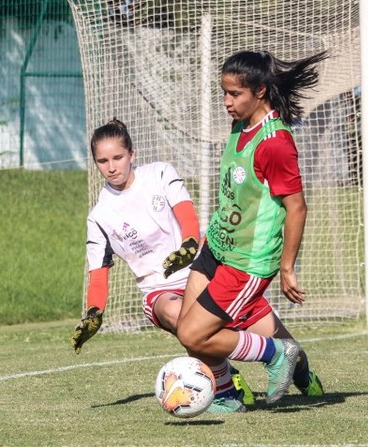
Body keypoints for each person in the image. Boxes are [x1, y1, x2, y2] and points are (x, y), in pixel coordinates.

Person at [69, 118, 254, 413]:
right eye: (103, 161)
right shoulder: (99, 216)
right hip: (158, 290)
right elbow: (98, 274)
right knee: (181, 318)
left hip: (200, 270)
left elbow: (186, 214)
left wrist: (190, 243)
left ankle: (290, 364)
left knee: (273, 335)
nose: (111, 166)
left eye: (117, 157)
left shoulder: (159, 174)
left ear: (132, 153)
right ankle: (225, 387)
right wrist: (94, 312)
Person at [176, 50, 328, 407]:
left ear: (260, 91)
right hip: (216, 247)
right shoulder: (239, 125)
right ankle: (301, 376)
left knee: (194, 334)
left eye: (235, 94)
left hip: (246, 261)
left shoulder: (275, 143)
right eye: (224, 93)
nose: (227, 102)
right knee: (189, 332)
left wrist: (287, 268)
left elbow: (297, 207)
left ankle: (274, 357)